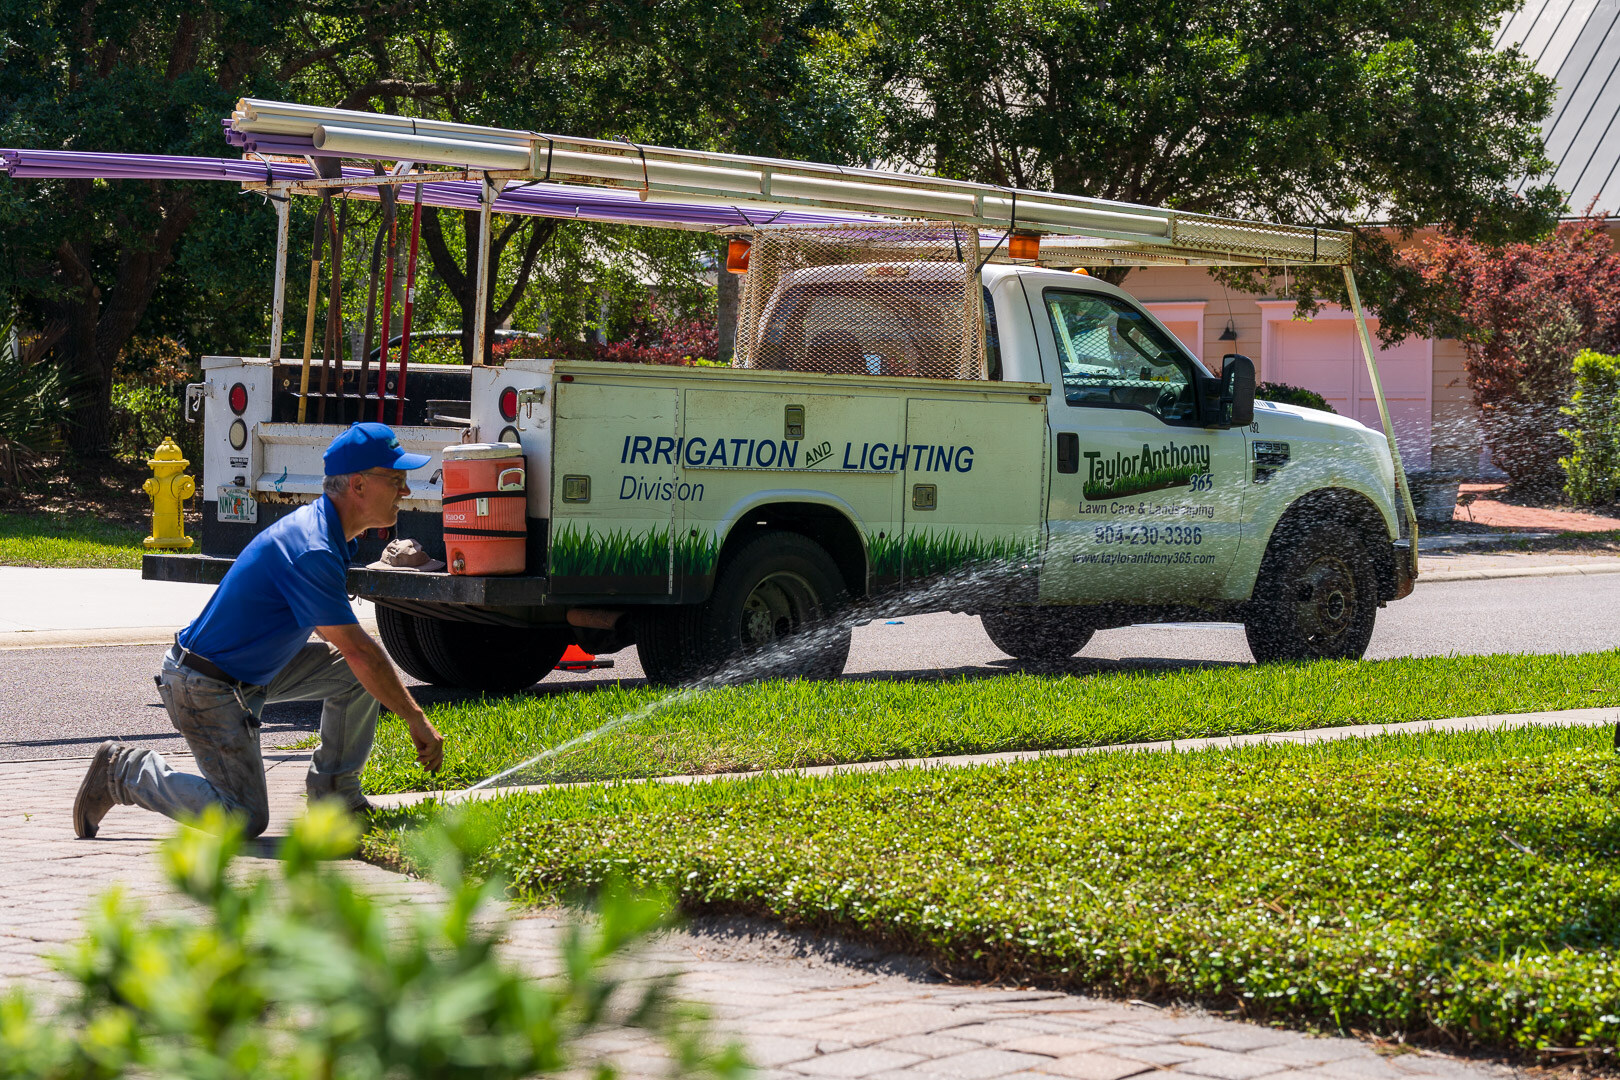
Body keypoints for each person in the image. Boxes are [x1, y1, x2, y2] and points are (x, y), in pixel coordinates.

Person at [73, 422, 446, 839]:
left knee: (355, 673)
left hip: (244, 676)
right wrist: (415, 717)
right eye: (396, 480)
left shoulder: (329, 535)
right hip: (204, 685)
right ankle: (122, 771)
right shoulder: (314, 547)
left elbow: (342, 644)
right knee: (244, 817)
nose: (406, 491)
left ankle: (337, 799)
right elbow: (359, 650)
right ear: (358, 486)